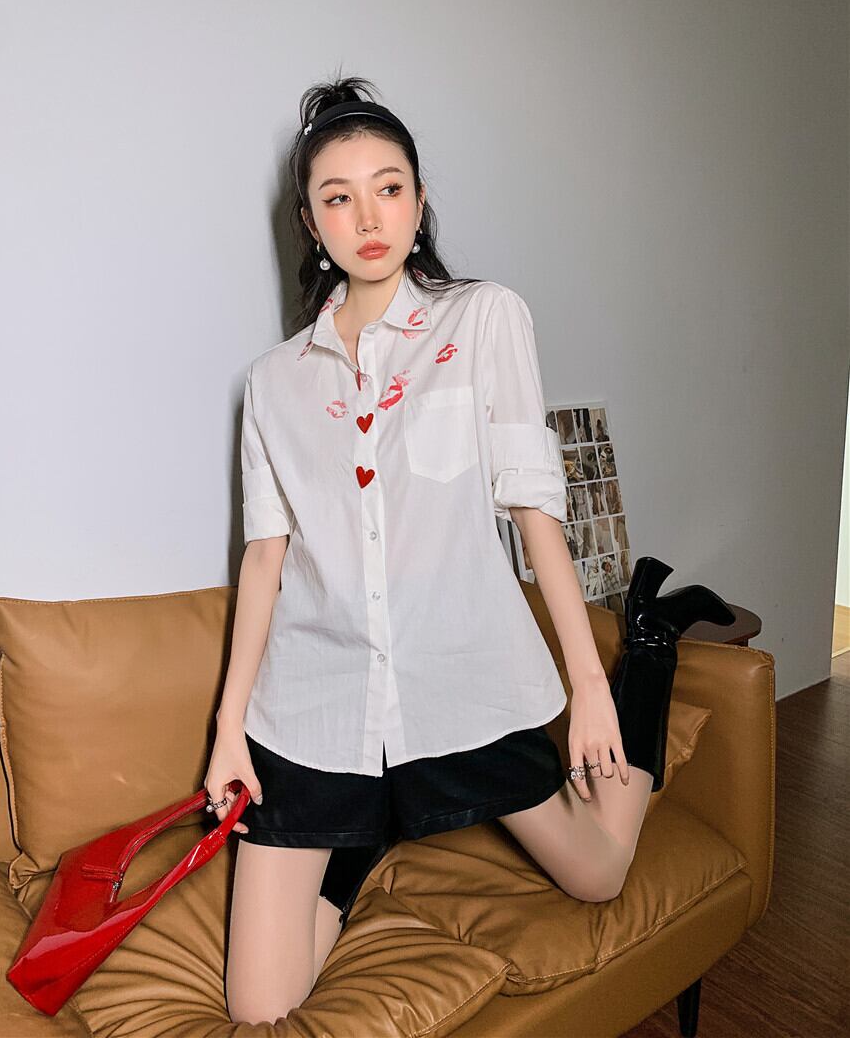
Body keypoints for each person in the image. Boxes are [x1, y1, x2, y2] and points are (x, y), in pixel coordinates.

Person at [204, 75, 686, 1027]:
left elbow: (533, 508)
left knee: (598, 873)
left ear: (420, 203)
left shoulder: (483, 318)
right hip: (317, 709)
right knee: (258, 1005)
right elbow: (265, 560)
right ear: (310, 223)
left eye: (388, 188)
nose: (367, 217)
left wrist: (591, 689)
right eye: (337, 197)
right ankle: (365, 836)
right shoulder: (272, 384)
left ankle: (652, 657)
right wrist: (228, 731)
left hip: (461, 685)